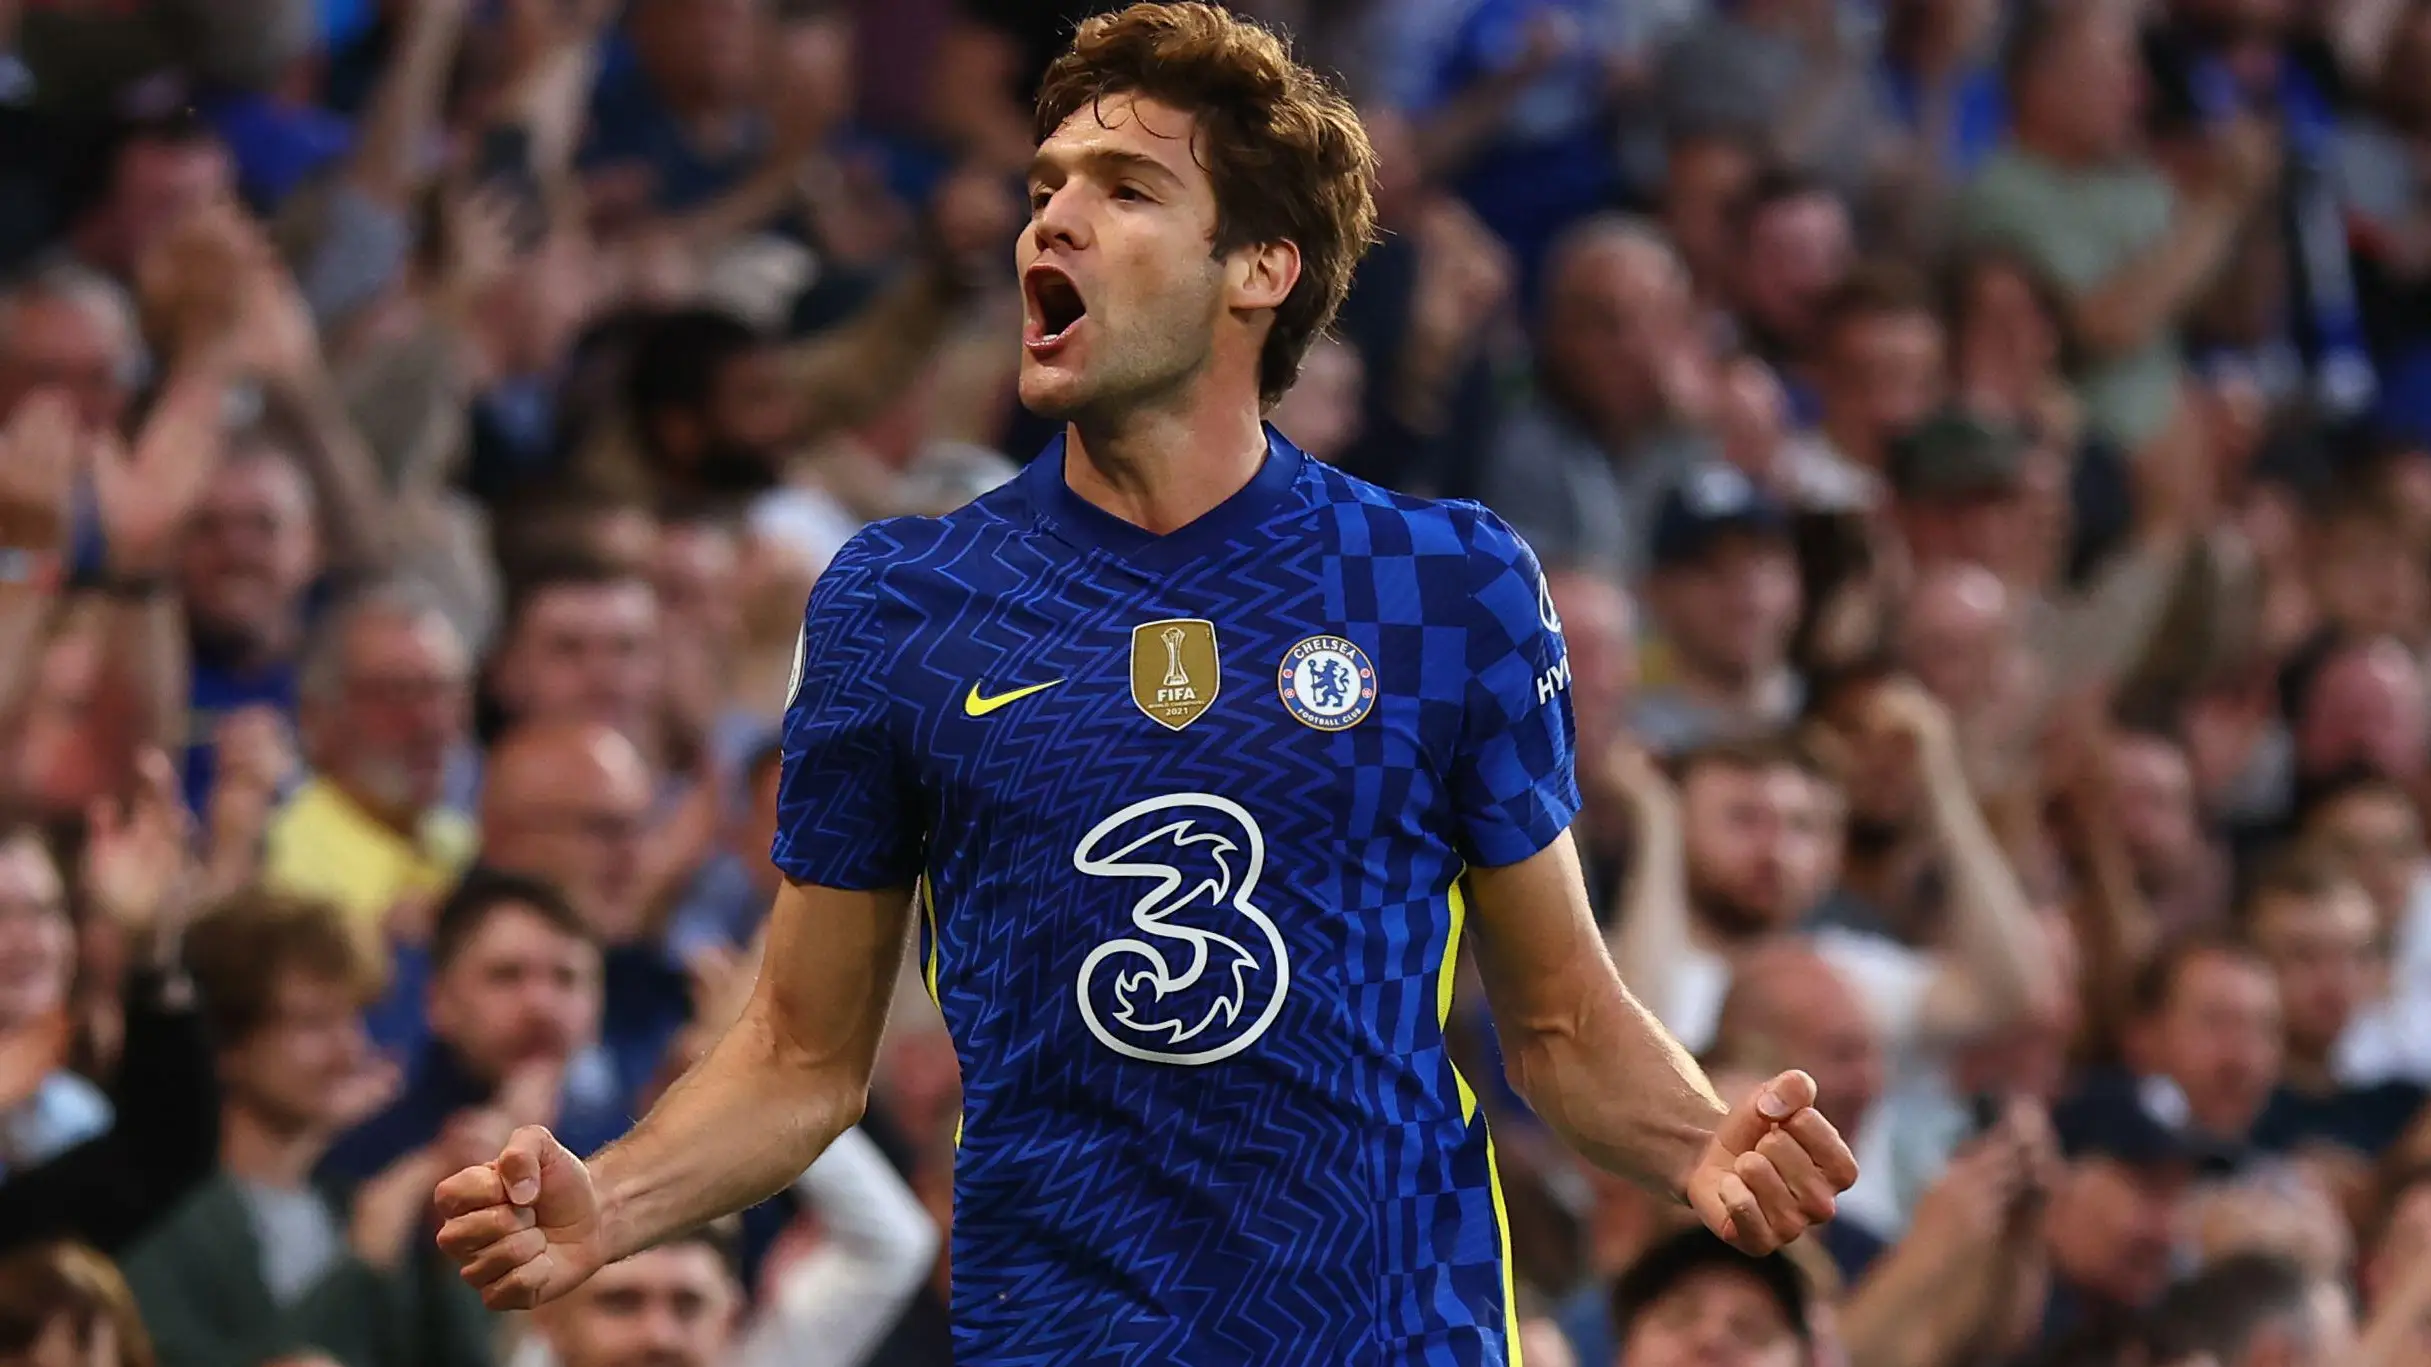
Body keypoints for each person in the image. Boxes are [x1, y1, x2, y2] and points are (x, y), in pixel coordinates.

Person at [433, 4, 1859, 1362]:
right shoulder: (898, 602)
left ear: (1258, 268)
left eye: (1122, 189)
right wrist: (610, 1201)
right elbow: (803, 1054)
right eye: (1043, 183)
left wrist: (1696, 1138)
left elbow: (1559, 1022)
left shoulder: (1445, 581)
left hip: (1386, 1338)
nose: (1047, 216)